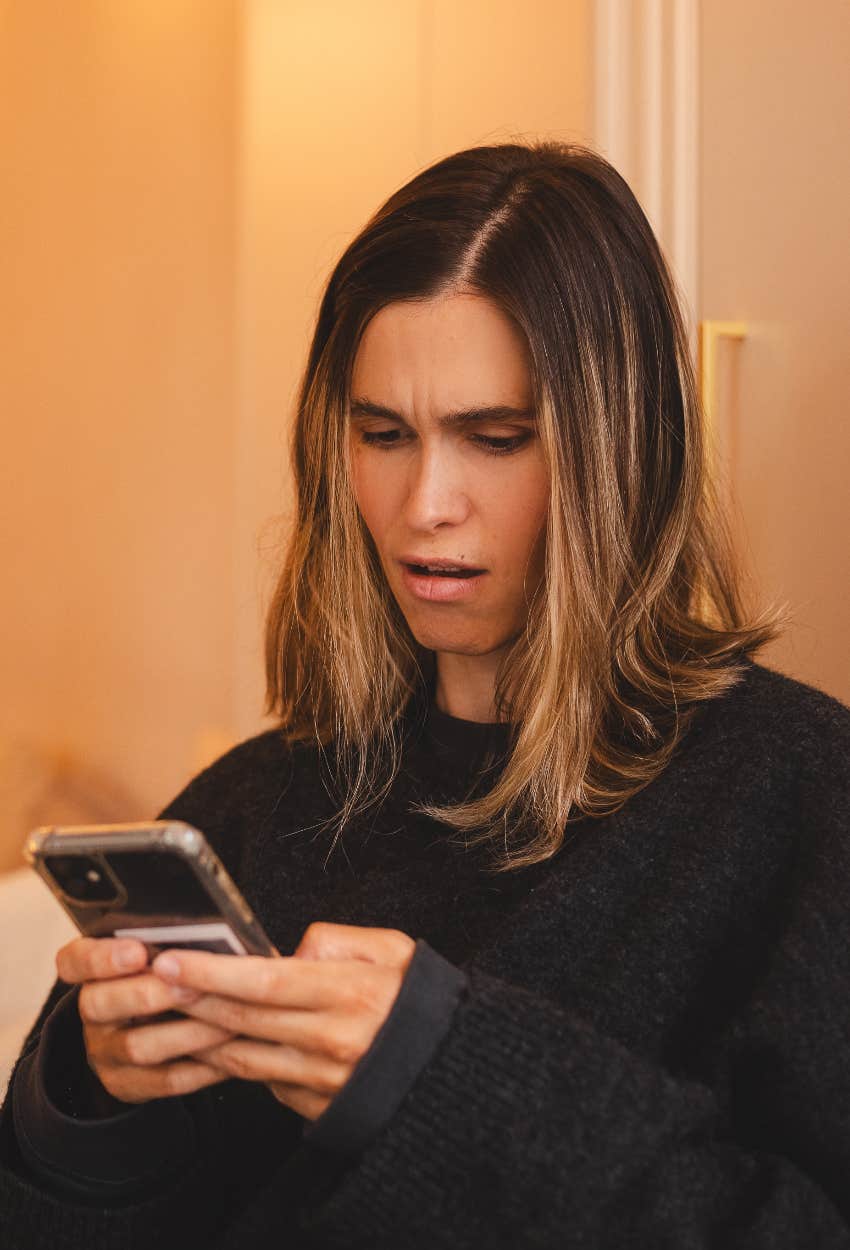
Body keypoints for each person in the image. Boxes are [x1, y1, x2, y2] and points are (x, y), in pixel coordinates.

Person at [2, 140, 849, 1250]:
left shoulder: (796, 798)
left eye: (494, 438)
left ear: (620, 450)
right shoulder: (259, 799)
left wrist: (444, 1080)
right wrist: (92, 1105)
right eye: (382, 435)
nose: (423, 505)